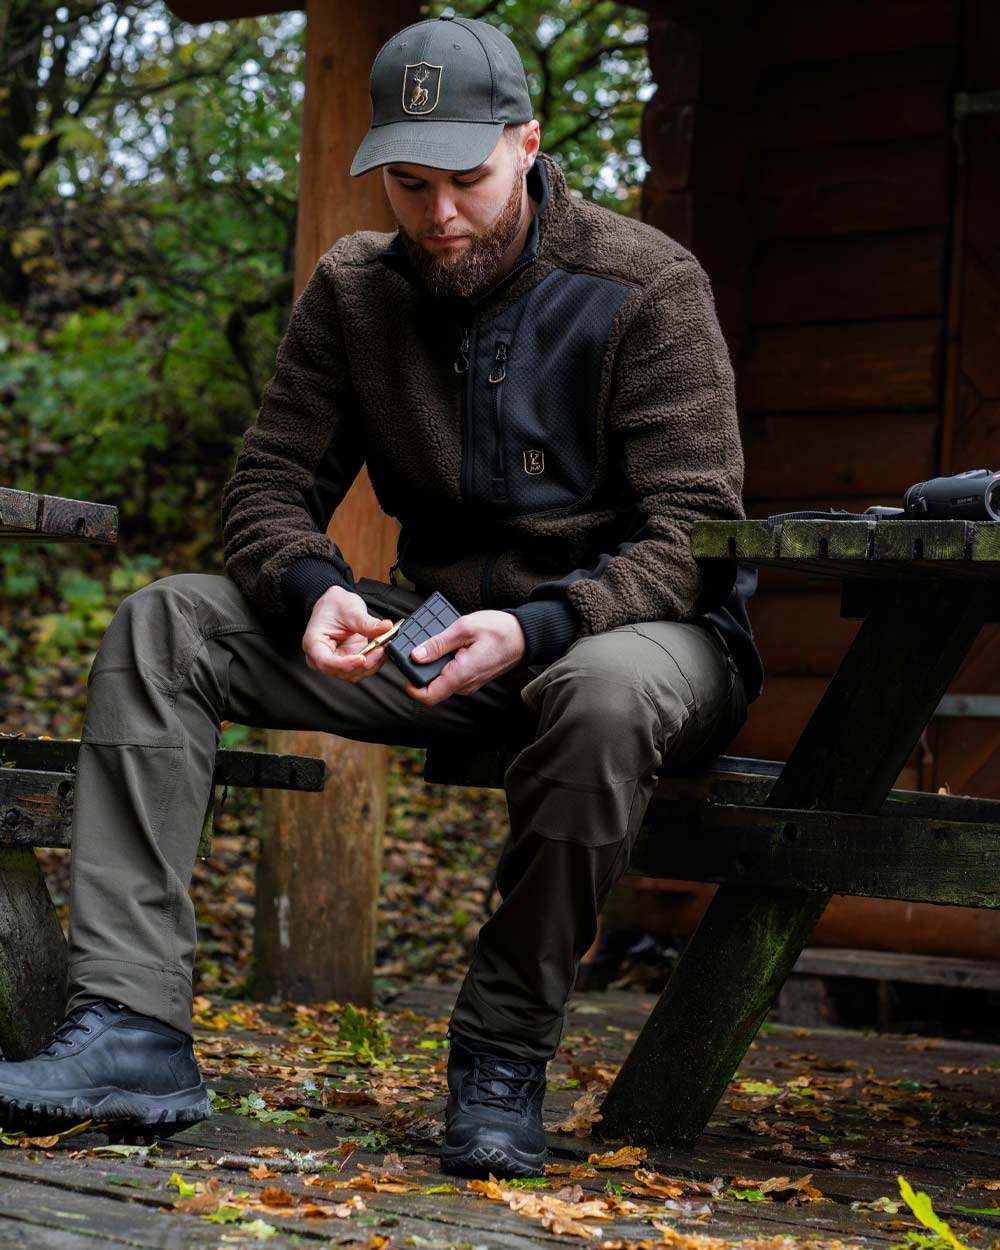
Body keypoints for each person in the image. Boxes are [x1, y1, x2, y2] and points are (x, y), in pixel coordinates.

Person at [0, 14, 764, 1178]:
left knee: (601, 695)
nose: (439, 213)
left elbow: (693, 534)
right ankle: (131, 1029)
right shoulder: (354, 290)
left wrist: (542, 622)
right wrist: (310, 589)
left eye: (465, 178)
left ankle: (501, 1057)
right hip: (439, 634)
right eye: (410, 184)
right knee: (168, 621)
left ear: (528, 142)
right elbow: (267, 484)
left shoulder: (646, 285)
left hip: (638, 637)